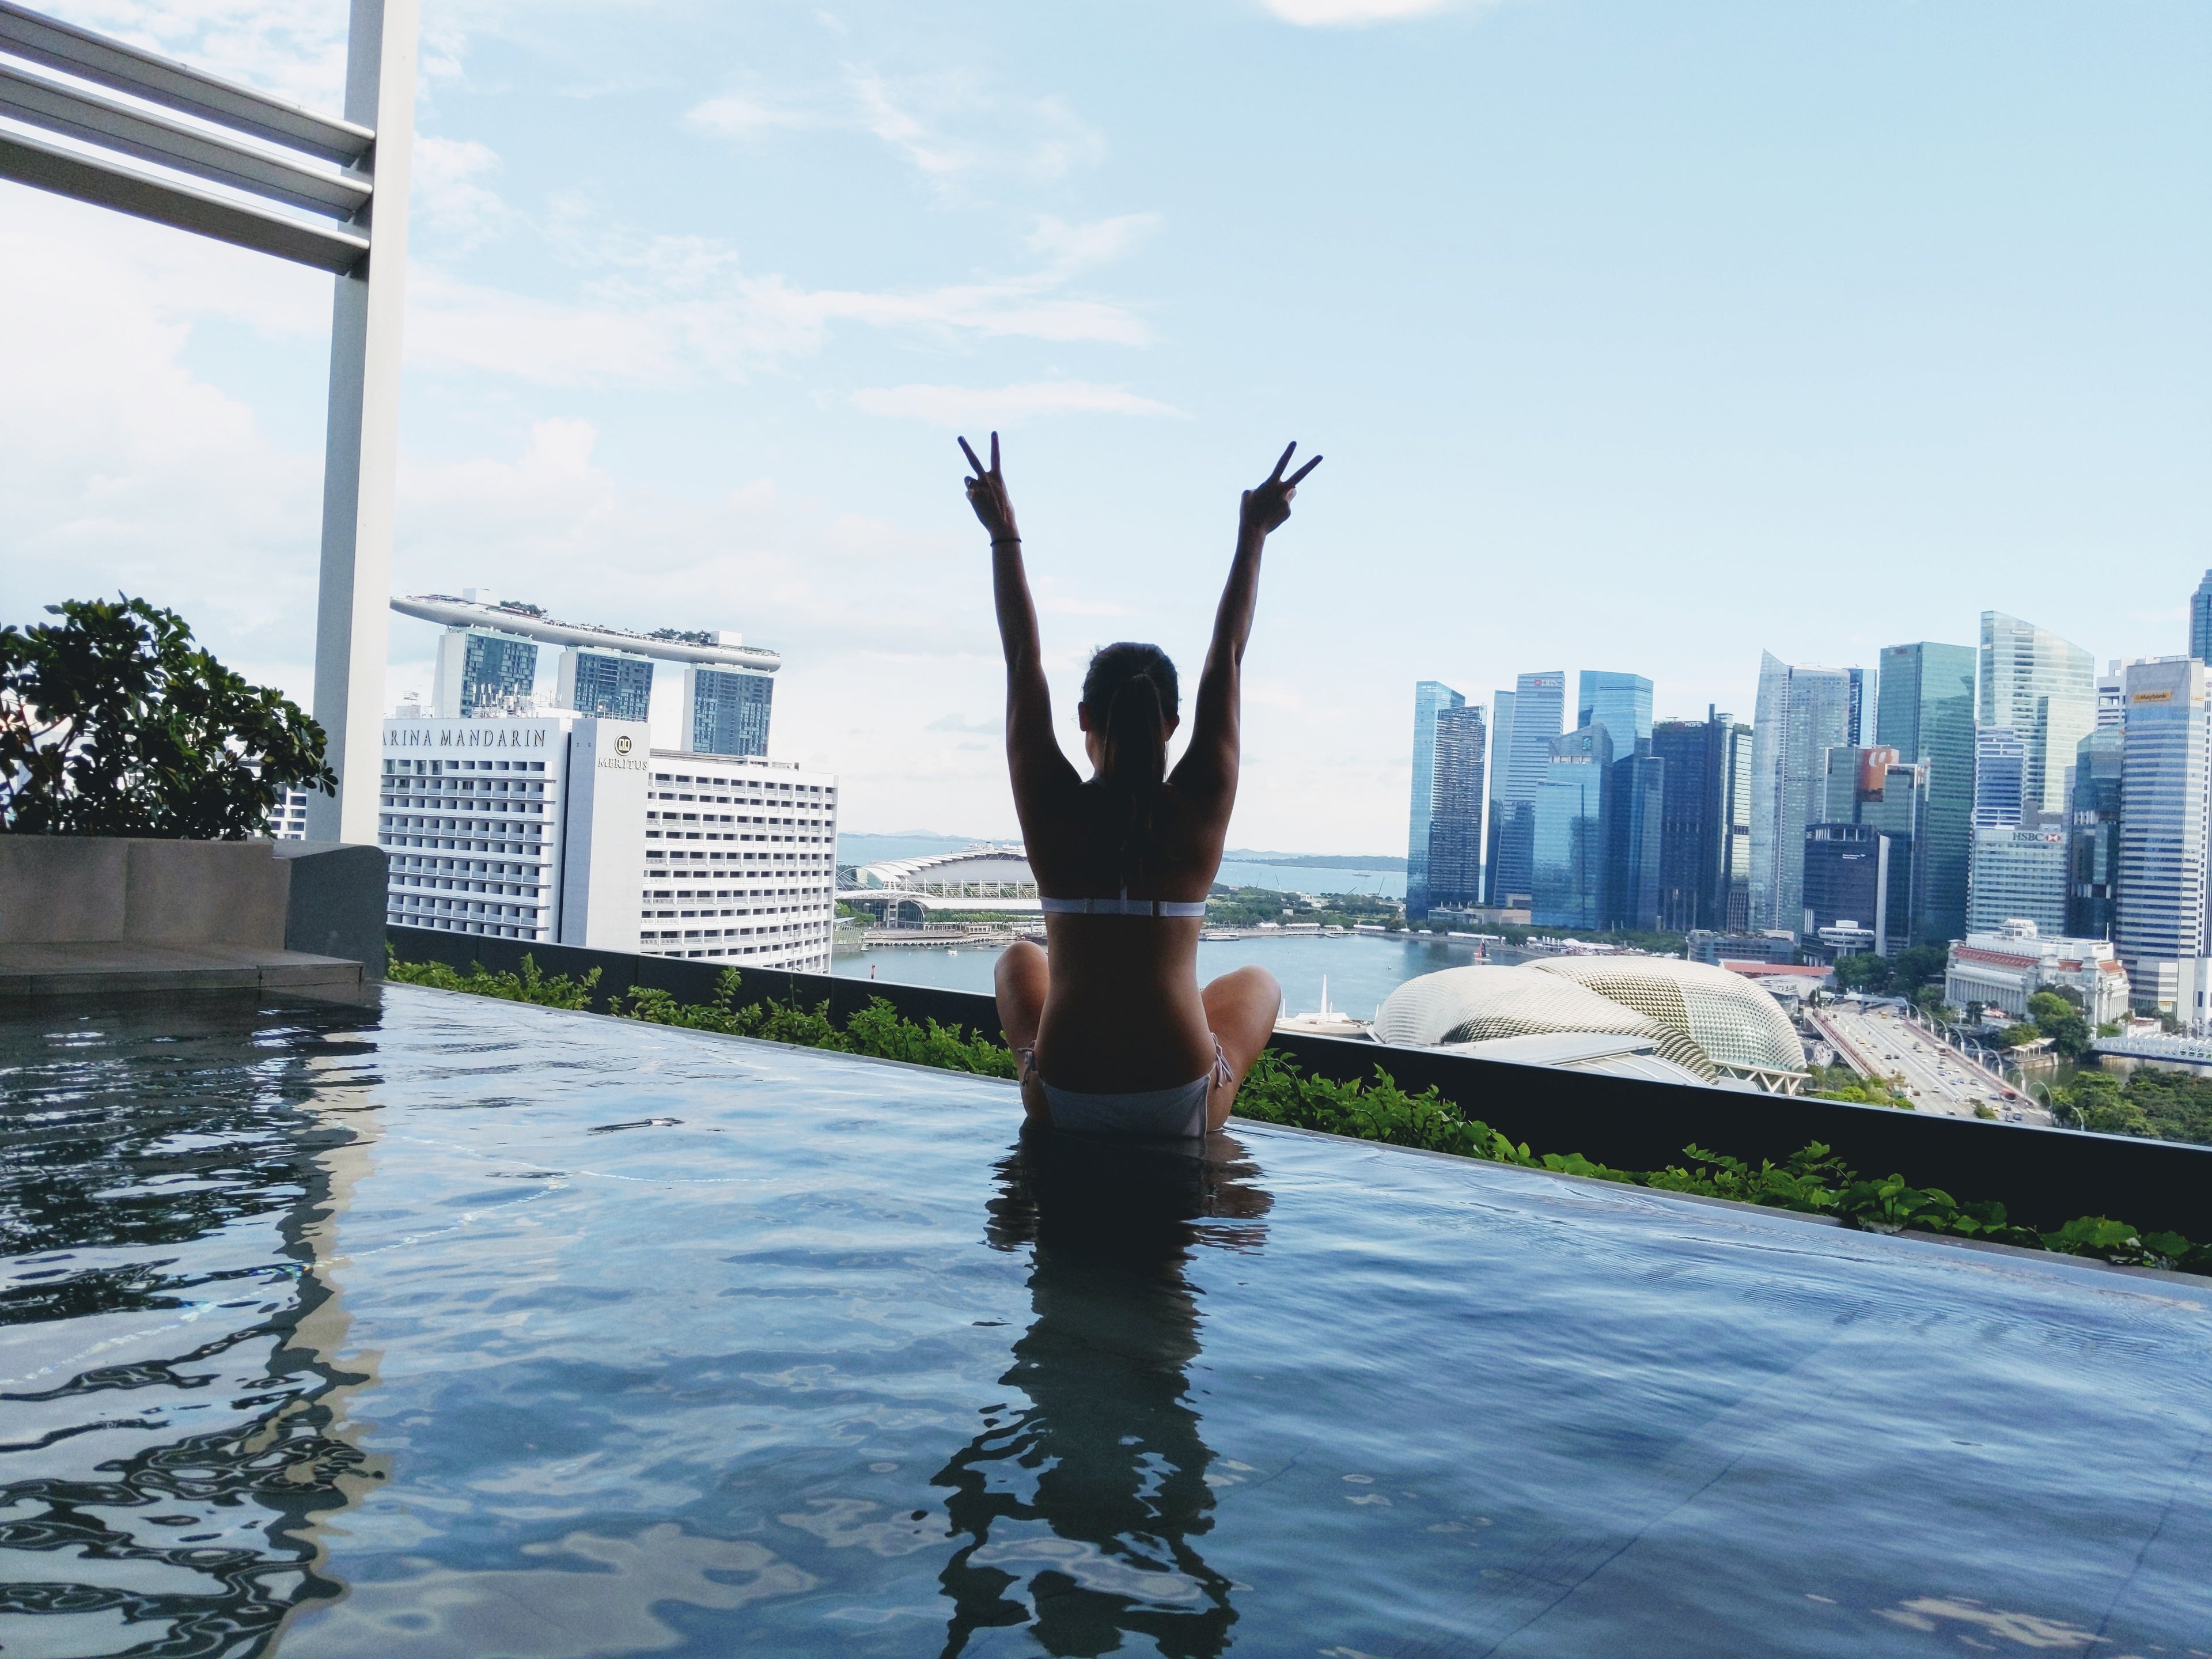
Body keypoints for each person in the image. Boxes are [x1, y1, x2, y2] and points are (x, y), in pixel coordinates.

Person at [960, 431, 1321, 1136]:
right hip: (1179, 1100)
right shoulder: (1199, 808)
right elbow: (1229, 655)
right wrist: (1254, 534)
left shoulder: (1052, 811)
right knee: (1259, 984)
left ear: (1085, 717)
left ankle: (1032, 1070)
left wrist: (1005, 537)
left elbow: (1021, 658)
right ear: (1173, 724)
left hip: (1064, 1091)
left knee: (1017, 960)